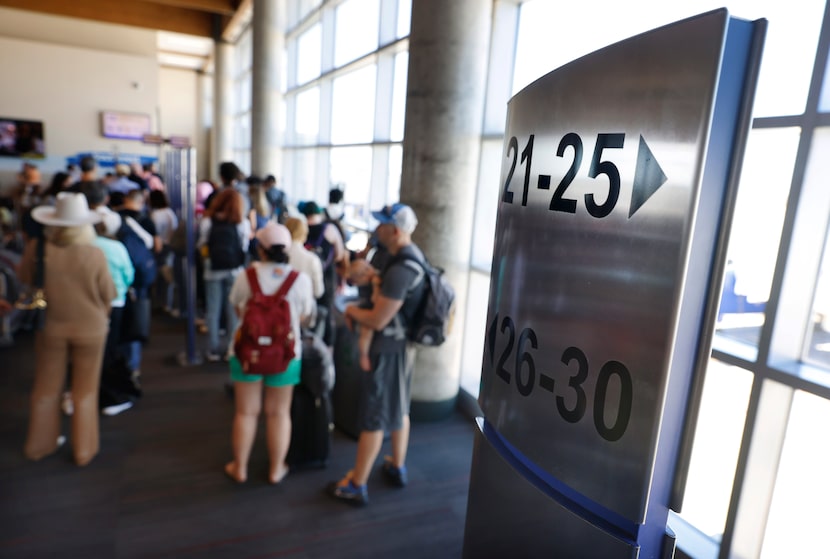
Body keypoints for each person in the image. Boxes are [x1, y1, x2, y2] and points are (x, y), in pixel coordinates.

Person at [327, 203, 425, 506]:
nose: (376, 228)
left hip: (388, 349)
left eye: (382, 224)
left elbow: (378, 319)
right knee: (398, 407)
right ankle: (396, 466)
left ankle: (357, 484)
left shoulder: (401, 270)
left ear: (395, 230)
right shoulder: (399, 257)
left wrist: (353, 310)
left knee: (374, 415)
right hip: (400, 347)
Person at [19, 192, 116, 466]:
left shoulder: (38, 248)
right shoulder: (94, 254)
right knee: (85, 391)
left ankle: (39, 445)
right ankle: (84, 451)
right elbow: (109, 293)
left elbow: (24, 277)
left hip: (51, 326)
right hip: (92, 329)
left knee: (45, 389)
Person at [225, 222, 315, 484]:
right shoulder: (301, 280)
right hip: (286, 354)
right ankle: (276, 469)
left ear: (261, 250)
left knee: (245, 412)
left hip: (246, 352)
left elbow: (238, 311)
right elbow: (304, 317)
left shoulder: (246, 276)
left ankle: (239, 467)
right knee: (278, 413)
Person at [197, 188, 250, 361]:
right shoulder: (241, 222)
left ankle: (212, 349)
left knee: (213, 309)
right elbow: (244, 247)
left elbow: (202, 244)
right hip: (235, 270)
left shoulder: (208, 221)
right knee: (233, 310)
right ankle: (231, 348)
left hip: (212, 269)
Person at [300, 200, 348, 347]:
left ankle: (303, 344)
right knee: (326, 313)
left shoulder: (299, 229)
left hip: (303, 277)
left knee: (304, 310)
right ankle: (325, 348)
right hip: (326, 276)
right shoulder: (329, 229)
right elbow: (340, 254)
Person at [347, 258, 380, 372]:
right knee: (349, 311)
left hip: (371, 310)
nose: (355, 284)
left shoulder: (375, 279)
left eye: (355, 281)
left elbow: (375, 299)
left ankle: (363, 355)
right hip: (365, 305)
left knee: (366, 331)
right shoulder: (369, 279)